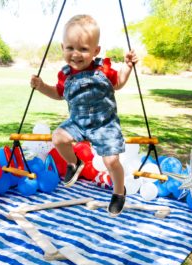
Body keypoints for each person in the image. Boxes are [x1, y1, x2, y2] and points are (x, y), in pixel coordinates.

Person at [30, 14, 138, 217]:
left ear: (96, 50)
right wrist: (42, 86)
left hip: (105, 124)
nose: (76, 54)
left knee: (111, 162)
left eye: (83, 49)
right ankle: (74, 163)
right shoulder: (65, 75)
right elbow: (58, 94)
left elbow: (119, 84)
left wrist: (128, 67)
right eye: (70, 48)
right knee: (58, 138)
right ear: (63, 47)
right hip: (78, 123)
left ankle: (119, 192)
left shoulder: (103, 69)